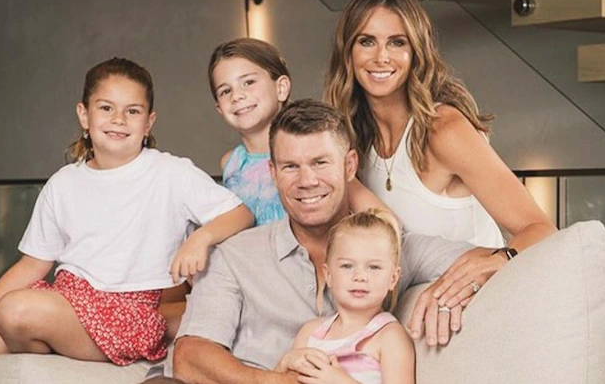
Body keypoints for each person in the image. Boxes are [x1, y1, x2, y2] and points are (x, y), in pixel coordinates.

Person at [0, 57, 253, 384]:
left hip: (132, 313)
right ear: (84, 115)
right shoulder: (63, 183)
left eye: (132, 111)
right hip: (66, 303)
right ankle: (48, 336)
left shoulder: (170, 172)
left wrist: (200, 239)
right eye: (106, 108)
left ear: (149, 122)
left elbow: (241, 213)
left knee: (15, 311)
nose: (118, 119)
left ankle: (49, 336)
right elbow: (32, 265)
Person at [165, 99, 475, 384]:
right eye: (290, 166)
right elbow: (189, 358)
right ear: (273, 172)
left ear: (349, 165)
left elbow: (492, 259)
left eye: (320, 162)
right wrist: (280, 383)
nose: (307, 181)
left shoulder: (391, 249)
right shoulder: (233, 256)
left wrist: (477, 273)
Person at [323, 0, 556, 311]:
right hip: (410, 318)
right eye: (366, 41)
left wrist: (492, 263)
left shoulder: (443, 130)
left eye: (397, 42)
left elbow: (542, 230)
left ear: (416, 51)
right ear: (348, 52)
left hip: (483, 309)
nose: (381, 57)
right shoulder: (351, 140)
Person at [209, 38, 390, 226]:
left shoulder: (317, 152)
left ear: (281, 88)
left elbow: (382, 218)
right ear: (219, 108)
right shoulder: (231, 163)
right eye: (225, 91)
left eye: (248, 82)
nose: (237, 96)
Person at [276, 209, 414, 384]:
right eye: (347, 266)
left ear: (393, 279)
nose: (360, 276)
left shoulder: (390, 337)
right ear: (328, 275)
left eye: (373, 267)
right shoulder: (310, 332)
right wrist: (283, 363)